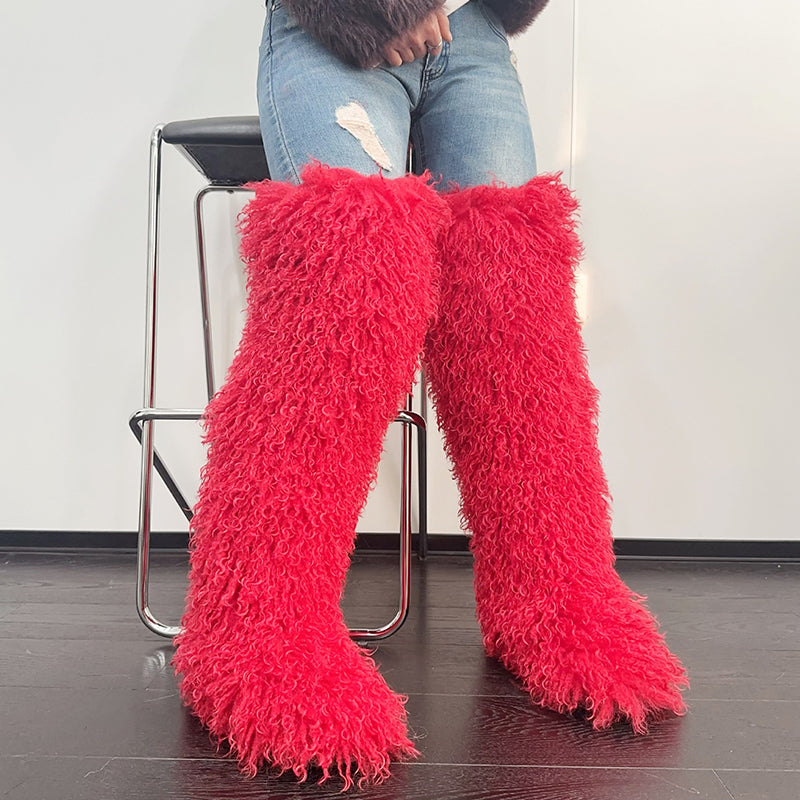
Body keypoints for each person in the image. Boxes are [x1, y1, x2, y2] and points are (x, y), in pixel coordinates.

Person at [172, 0, 689, 790]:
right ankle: (255, 626)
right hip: (336, 25)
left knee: (513, 302)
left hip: (472, 31)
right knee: (348, 283)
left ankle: (553, 598)